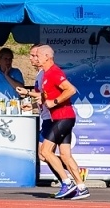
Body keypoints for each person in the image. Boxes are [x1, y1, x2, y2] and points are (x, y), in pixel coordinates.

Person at [30, 44, 88, 199]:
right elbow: (47, 96)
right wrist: (38, 102)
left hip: (63, 117)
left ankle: (66, 182)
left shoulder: (53, 72)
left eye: (38, 56)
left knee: (45, 152)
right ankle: (81, 187)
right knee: (65, 155)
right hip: (61, 118)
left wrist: (54, 102)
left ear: (47, 57)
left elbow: (71, 89)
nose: (35, 58)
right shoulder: (45, 74)